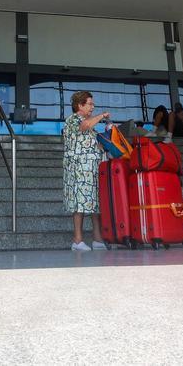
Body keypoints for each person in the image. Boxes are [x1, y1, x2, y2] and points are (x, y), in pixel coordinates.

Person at [62, 90, 109, 252]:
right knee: (79, 204)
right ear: (79, 105)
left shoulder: (90, 125)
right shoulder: (73, 120)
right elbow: (84, 126)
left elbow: (97, 144)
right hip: (79, 171)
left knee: (95, 205)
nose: (92, 107)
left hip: (93, 170)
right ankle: (77, 240)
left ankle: (97, 238)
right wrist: (102, 116)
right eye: (89, 104)